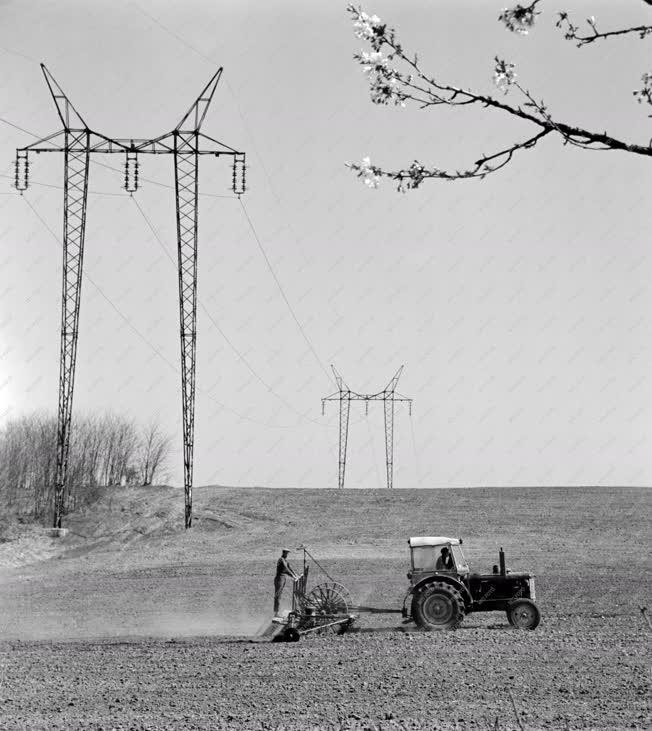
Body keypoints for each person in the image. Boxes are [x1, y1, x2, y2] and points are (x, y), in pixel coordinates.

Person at [274, 548, 299, 617]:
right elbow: (286, 569)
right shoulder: (281, 560)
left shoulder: (285, 560)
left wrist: (295, 575)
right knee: (278, 595)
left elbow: (289, 568)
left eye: (288, 553)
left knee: (279, 595)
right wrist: (293, 576)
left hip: (283, 578)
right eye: (286, 553)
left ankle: (277, 611)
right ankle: (276, 612)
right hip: (279, 578)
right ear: (284, 553)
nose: (287, 554)